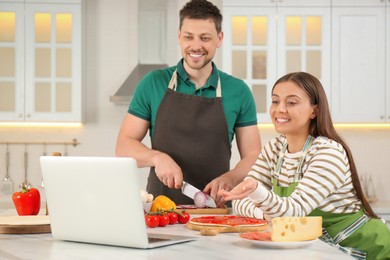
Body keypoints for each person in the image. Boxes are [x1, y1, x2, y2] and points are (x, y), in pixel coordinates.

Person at [220, 72, 390, 259]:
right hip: (319, 250)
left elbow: (291, 215)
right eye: (275, 101)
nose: (280, 109)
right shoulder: (275, 148)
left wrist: (257, 193)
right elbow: (239, 202)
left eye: (291, 102)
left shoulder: (327, 152)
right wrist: (268, 212)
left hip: (365, 249)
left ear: (314, 111)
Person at [116, 0, 261, 207]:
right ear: (179, 37)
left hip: (216, 209)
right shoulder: (153, 83)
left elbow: (253, 155)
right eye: (188, 37)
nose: (196, 46)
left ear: (219, 39)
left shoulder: (238, 91)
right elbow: (123, 146)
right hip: (161, 209)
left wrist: (230, 178)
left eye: (205, 38)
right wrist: (157, 158)